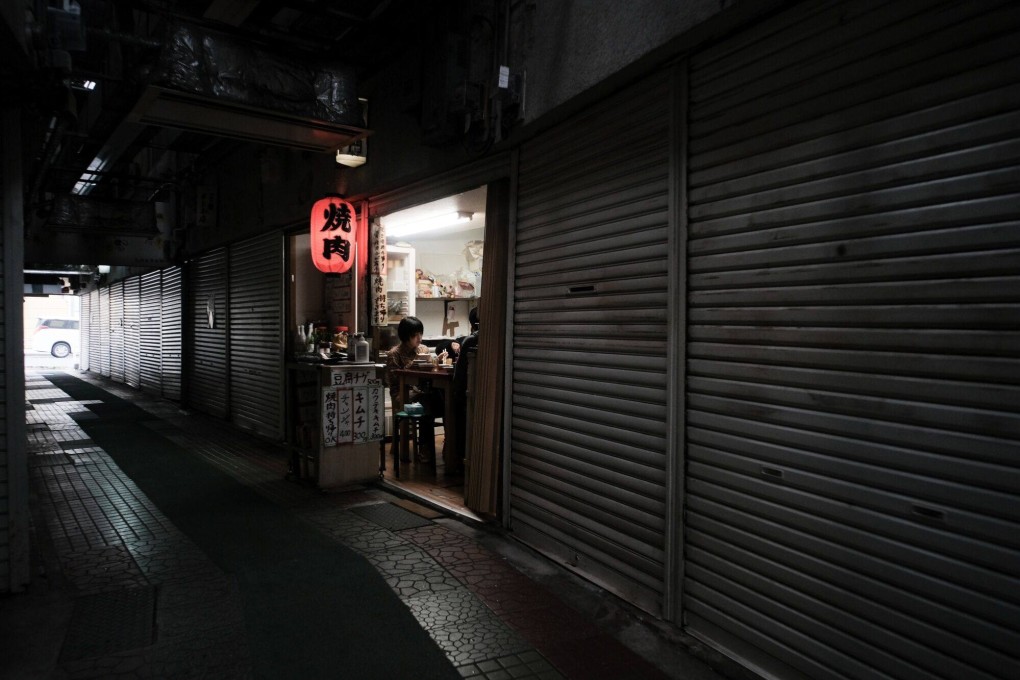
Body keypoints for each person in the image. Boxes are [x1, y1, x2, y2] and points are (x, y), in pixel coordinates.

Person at [386, 316, 443, 463]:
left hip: (422, 391)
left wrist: (437, 361)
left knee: (443, 398)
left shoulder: (423, 349)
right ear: (406, 336)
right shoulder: (394, 353)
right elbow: (394, 380)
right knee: (427, 403)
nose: (419, 338)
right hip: (402, 393)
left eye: (420, 334)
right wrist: (412, 365)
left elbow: (429, 373)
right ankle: (425, 448)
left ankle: (450, 447)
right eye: (415, 335)